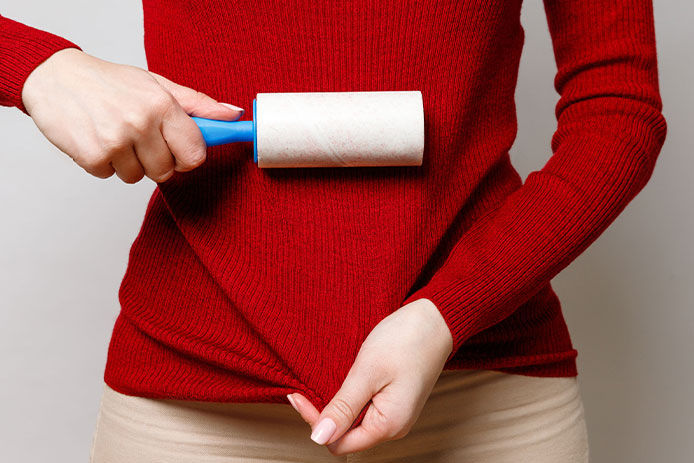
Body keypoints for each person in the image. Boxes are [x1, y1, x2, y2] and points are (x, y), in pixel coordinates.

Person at [0, 0, 666, 461]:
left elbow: (617, 112)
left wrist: (445, 312)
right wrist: (36, 66)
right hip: (193, 409)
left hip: (483, 395)